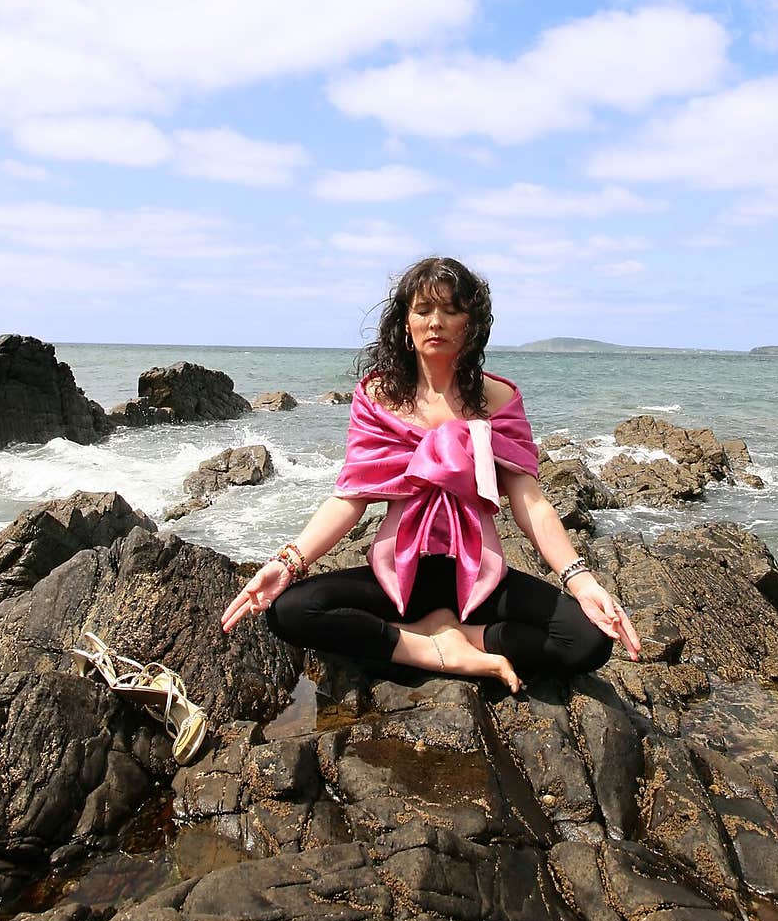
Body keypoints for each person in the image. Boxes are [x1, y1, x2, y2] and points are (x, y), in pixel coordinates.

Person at [221, 256, 640, 692]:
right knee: (289, 609)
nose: (435, 322)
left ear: (470, 324)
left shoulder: (499, 400)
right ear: (405, 323)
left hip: (478, 577)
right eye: (423, 310)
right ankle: (428, 648)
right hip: (401, 576)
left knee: (589, 639)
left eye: (451, 310)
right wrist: (287, 562)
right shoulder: (377, 398)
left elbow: (529, 501)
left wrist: (581, 579)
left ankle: (464, 637)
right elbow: (350, 497)